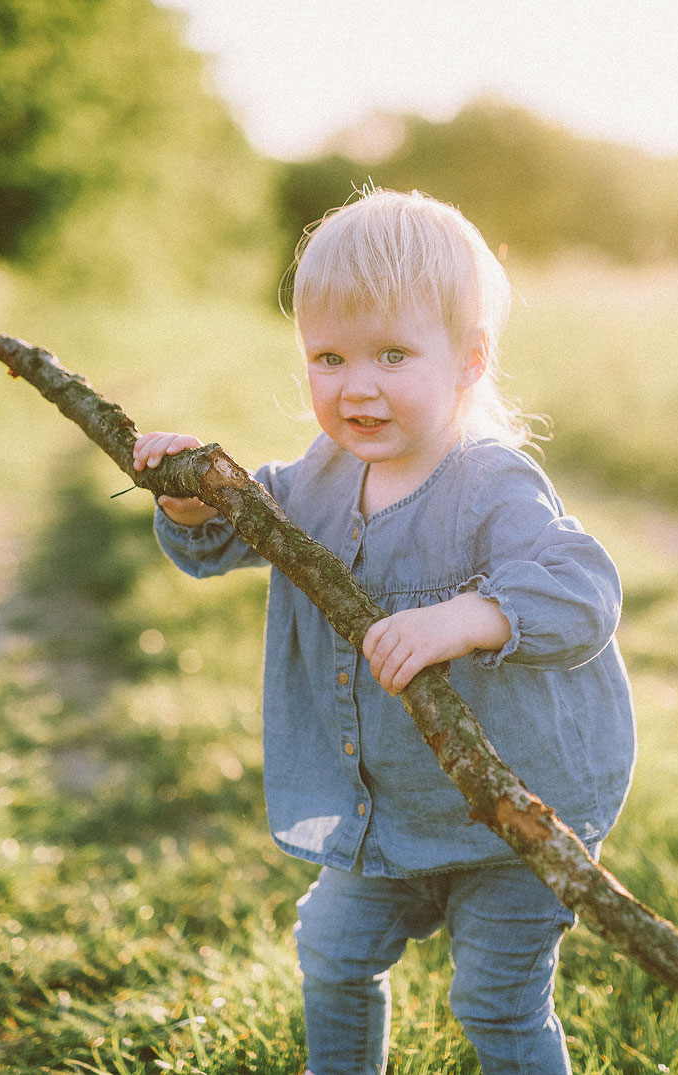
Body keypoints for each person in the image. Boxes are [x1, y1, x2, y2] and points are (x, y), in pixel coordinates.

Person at [132, 188, 636, 1074]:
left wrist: (474, 616)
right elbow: (219, 543)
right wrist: (188, 496)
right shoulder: (317, 481)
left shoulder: (491, 484)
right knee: (331, 950)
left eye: (392, 354)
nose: (356, 384)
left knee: (496, 1000)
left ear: (470, 359)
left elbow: (583, 586)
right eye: (328, 356)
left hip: (518, 813)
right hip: (389, 816)